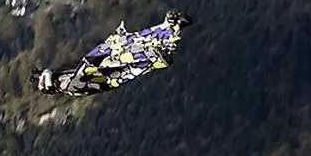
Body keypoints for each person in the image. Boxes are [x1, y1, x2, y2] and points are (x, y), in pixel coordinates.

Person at [34, 11, 192, 97]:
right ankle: (161, 49)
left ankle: (168, 28)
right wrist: (89, 66)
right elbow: (81, 79)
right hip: (107, 72)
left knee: (126, 42)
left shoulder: (67, 79)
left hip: (102, 63)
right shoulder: (72, 87)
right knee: (126, 56)